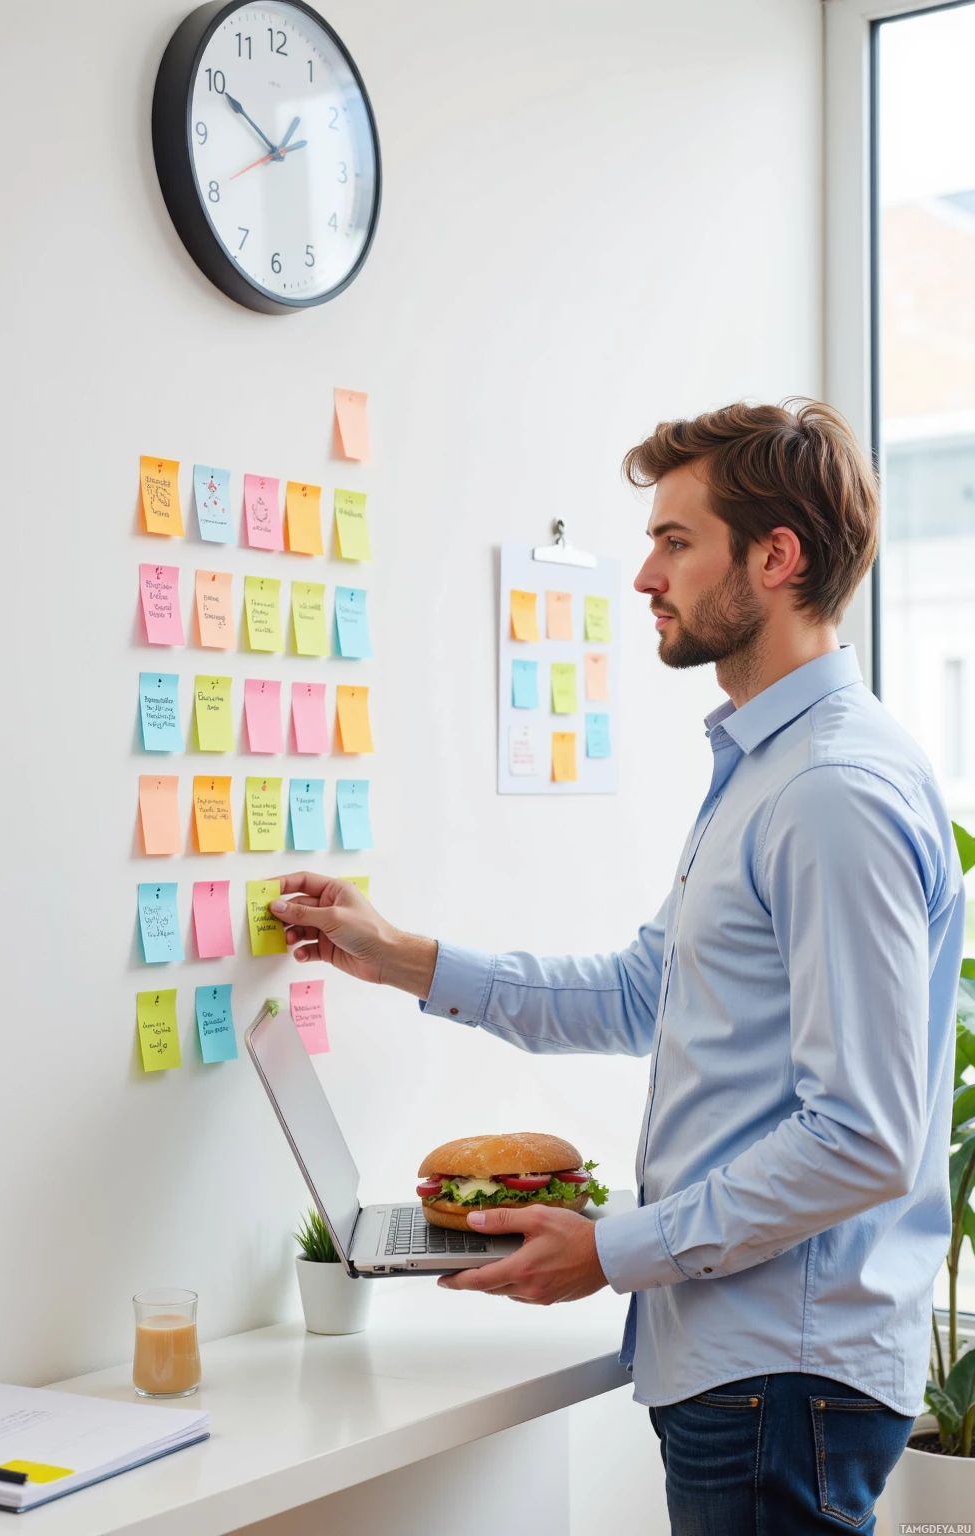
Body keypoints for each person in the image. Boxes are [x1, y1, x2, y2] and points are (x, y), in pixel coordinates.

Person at [270, 400, 965, 1536]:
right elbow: (644, 994)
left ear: (775, 558)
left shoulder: (829, 793)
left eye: (676, 541)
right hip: (744, 1364)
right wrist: (397, 956)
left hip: (777, 1374)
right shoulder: (765, 770)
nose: (645, 573)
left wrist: (611, 1250)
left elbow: (865, 1137)